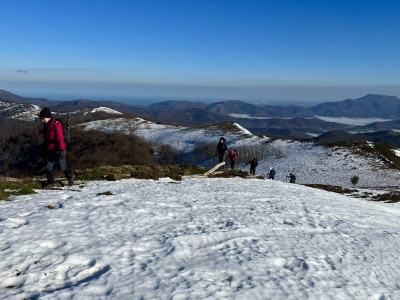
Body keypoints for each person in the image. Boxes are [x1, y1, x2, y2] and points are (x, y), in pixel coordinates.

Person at [39, 107, 74, 188]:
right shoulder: (46, 126)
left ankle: (70, 175)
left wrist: (61, 150)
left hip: (59, 148)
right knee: (48, 166)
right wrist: (44, 147)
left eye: (43, 118)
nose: (42, 120)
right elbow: (46, 138)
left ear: (47, 117)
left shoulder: (57, 124)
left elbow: (60, 138)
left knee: (62, 167)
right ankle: (51, 182)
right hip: (50, 148)